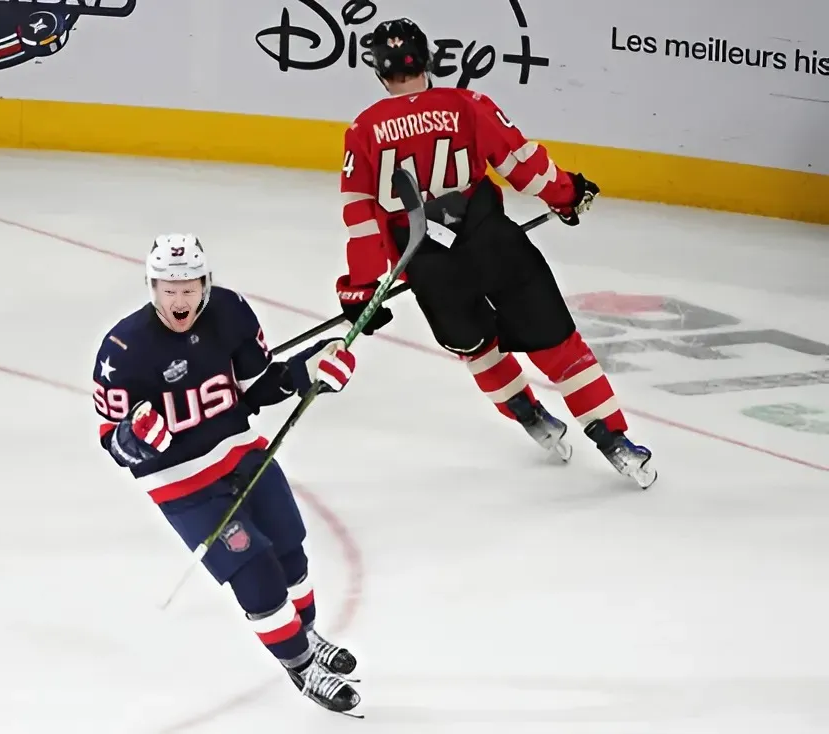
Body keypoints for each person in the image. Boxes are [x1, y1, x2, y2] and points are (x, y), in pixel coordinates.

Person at [335, 17, 657, 489]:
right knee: (558, 344)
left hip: (429, 264)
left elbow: (361, 216)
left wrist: (363, 287)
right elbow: (521, 163)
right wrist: (566, 195)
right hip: (491, 243)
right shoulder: (467, 105)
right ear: (427, 59)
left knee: (475, 346)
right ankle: (615, 443)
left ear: (379, 73)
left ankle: (532, 418)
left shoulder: (363, 130)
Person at [92, 234, 362, 714]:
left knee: (288, 545)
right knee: (253, 569)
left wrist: (311, 368)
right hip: (180, 482)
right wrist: (134, 436)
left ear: (206, 284)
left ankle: (308, 632)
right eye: (169, 289)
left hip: (240, 452)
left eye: (189, 287)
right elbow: (113, 442)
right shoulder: (123, 349)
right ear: (152, 287)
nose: (180, 299)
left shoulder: (232, 313)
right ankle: (301, 665)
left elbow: (257, 389)